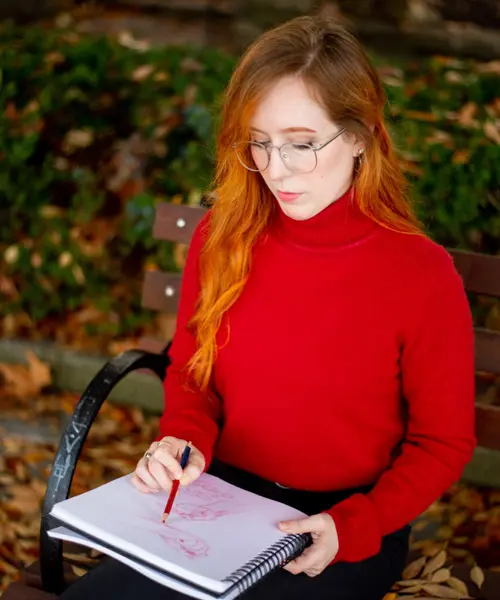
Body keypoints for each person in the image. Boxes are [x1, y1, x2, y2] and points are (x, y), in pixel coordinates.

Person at [60, 14, 476, 600]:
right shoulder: (223, 237)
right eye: (259, 142)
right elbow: (192, 373)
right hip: (220, 501)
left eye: (302, 144)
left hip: (341, 525)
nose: (276, 169)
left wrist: (356, 524)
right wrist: (184, 439)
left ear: (359, 136)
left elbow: (443, 442)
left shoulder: (420, 274)